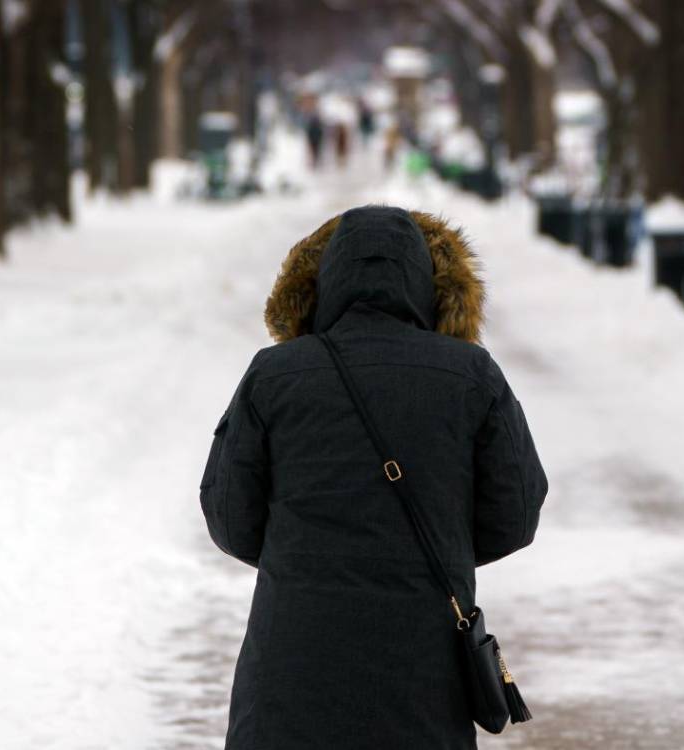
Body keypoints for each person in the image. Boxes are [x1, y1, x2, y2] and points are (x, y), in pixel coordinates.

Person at [199, 206, 549, 748]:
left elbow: (228, 516)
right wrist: (436, 545)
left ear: (321, 281)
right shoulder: (470, 375)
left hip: (292, 661)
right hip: (424, 667)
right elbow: (516, 513)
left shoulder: (273, 375)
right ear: (432, 284)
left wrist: (302, 556)